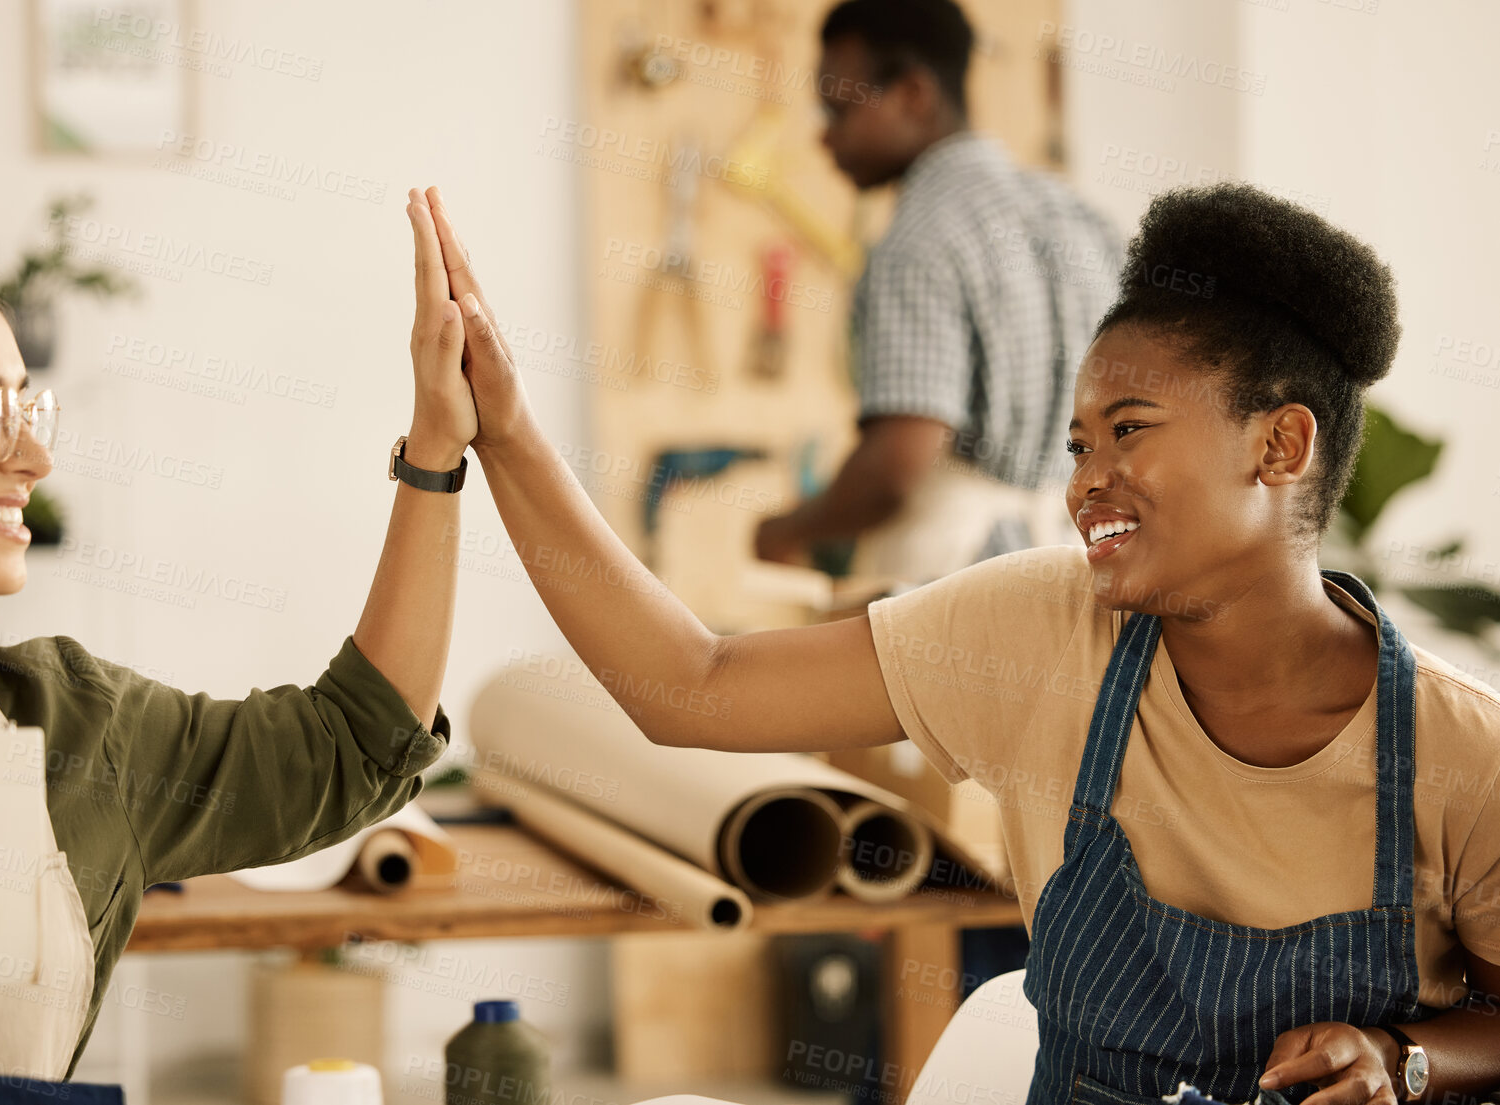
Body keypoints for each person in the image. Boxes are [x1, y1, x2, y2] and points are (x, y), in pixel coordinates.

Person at [419, 178, 1500, 1103]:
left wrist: (1405, 1056)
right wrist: (506, 430)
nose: (1085, 482)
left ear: (1281, 443)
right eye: (1077, 445)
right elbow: (692, 686)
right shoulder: (1040, 629)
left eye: (1130, 429)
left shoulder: (1463, 753)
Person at [0, 193, 473, 1084]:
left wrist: (437, 450)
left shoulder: (79, 733)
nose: (32, 459)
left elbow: (356, 741)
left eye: (29, 411)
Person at [754, 0, 1121, 582]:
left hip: (957, 580)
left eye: (839, 110)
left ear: (914, 94)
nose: (825, 138)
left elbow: (895, 468)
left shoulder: (918, 237)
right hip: (1078, 568)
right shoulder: (1079, 218)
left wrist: (788, 529)